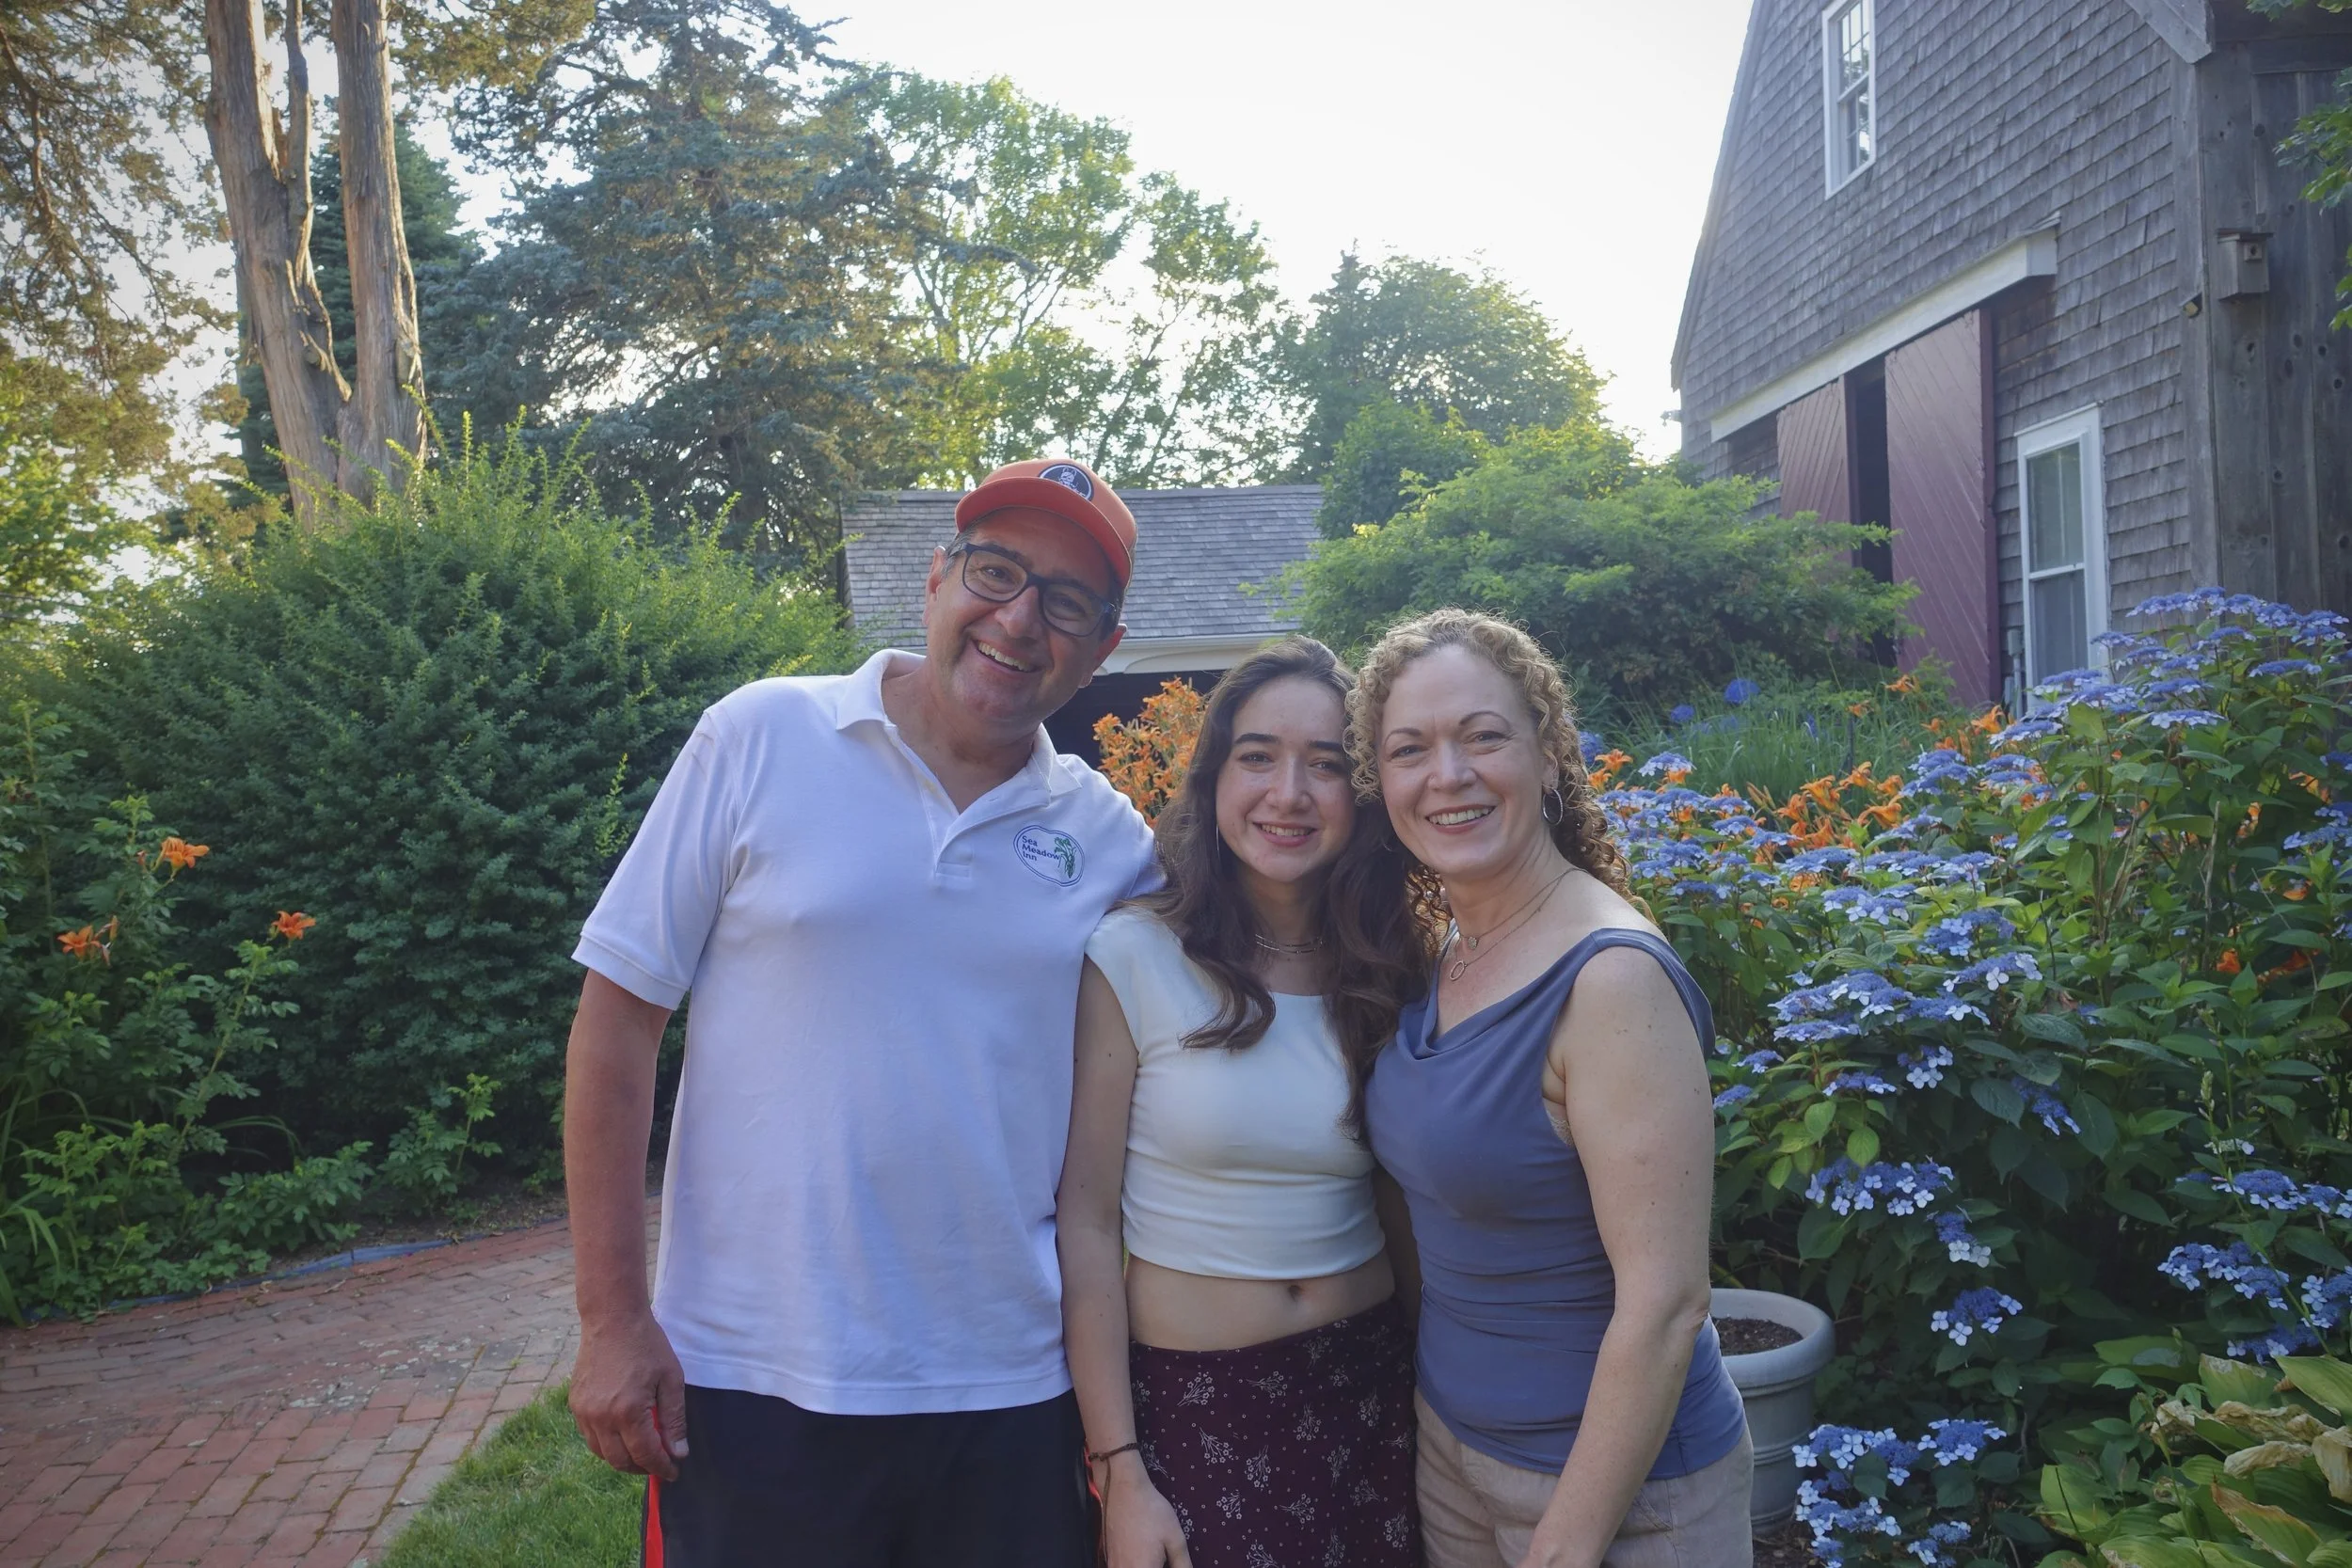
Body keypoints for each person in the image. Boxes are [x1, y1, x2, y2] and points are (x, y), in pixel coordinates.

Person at [564, 457, 1161, 1567]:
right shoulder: (758, 737)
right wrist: (611, 1317)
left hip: (1013, 1386)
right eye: (997, 570)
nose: (1019, 618)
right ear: (936, 578)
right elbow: (618, 1018)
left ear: (1102, 647)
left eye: (1067, 600)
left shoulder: (1111, 840)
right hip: (756, 1375)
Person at [1350, 609, 1752, 1568]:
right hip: (1455, 1455)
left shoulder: (1610, 980)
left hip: (1624, 1498)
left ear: (1548, 755)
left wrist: (1565, 1544)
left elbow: (1666, 1301)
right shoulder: (1450, 946)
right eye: (1409, 748)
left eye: (1481, 735)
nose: (1445, 774)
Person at [1057, 637, 1434, 1568]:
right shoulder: (1133, 956)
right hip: (1198, 1409)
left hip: (1371, 1391)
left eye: (1328, 764)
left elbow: (1408, 1201)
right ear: (1213, 775)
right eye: (1257, 755)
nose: (1289, 792)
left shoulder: (1395, 961)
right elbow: (1086, 1221)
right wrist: (1119, 1465)